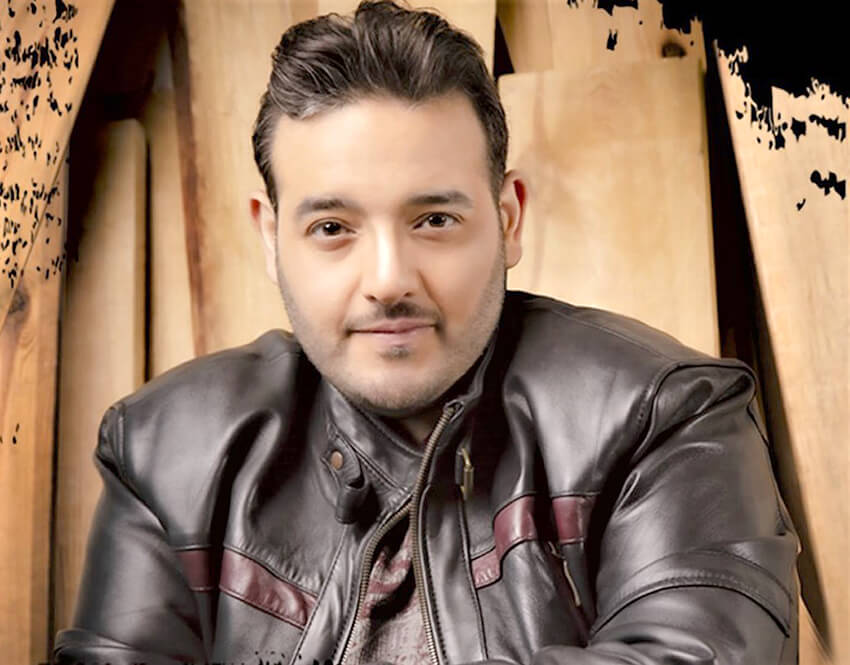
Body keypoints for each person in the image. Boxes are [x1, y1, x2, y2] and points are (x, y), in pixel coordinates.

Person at [54, 2, 799, 664]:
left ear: (508, 218)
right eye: (333, 227)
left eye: (434, 219)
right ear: (271, 238)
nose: (388, 279)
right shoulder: (168, 452)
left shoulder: (668, 419)